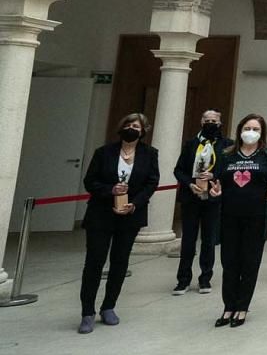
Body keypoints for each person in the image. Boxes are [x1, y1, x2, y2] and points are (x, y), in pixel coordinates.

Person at [77, 113, 160, 333]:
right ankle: (87, 311)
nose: (132, 129)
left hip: (129, 215)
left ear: (143, 131)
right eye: (129, 125)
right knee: (94, 261)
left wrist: (135, 203)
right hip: (101, 214)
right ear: (121, 127)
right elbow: (90, 181)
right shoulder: (104, 153)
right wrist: (109, 190)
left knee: (120, 262)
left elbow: (152, 182)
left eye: (137, 126)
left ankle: (108, 306)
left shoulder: (149, 154)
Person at [209, 113, 267, 328]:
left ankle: (242, 307)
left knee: (250, 262)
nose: (251, 132)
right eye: (248, 128)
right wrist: (215, 191)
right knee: (230, 262)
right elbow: (217, 181)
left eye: (256, 129)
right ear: (240, 130)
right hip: (230, 215)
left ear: (262, 133)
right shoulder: (227, 154)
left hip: (256, 216)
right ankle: (228, 306)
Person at [172, 109, 228, 296]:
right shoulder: (191, 144)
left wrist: (215, 176)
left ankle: (205, 278)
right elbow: (179, 170)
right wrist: (189, 183)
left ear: (220, 123)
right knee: (188, 240)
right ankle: (183, 279)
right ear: (201, 121)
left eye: (214, 120)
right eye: (207, 119)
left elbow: (228, 169)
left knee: (209, 240)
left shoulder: (226, 145)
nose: (210, 122)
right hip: (191, 198)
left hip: (212, 198)